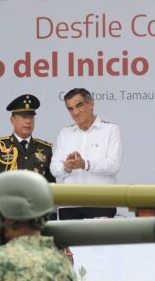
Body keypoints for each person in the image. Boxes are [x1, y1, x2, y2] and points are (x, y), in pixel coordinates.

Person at [50, 88, 123, 219]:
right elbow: (54, 168)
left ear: (91, 104)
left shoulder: (110, 129)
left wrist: (85, 164)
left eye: (79, 106)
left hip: (101, 203)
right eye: (70, 109)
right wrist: (67, 167)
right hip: (69, 204)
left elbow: (113, 165)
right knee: (69, 240)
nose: (75, 112)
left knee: (99, 240)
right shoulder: (65, 133)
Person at [0, 94, 55, 191]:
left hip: (35, 204)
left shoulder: (45, 149)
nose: (28, 121)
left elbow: (51, 182)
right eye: (23, 117)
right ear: (12, 120)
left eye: (31, 117)